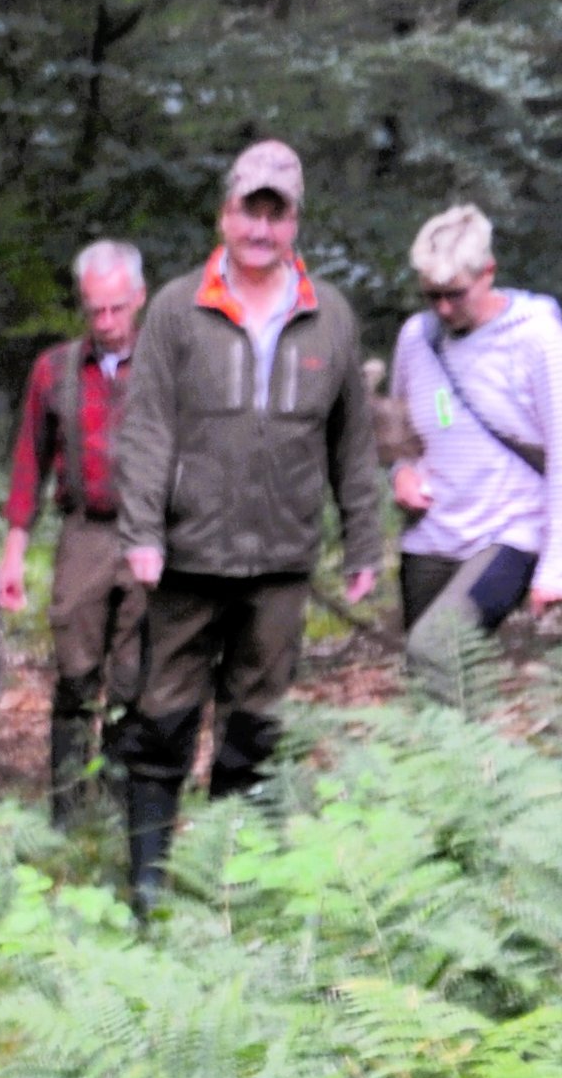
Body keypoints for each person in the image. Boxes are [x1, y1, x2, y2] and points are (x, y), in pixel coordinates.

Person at [114, 140, 380, 901]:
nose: (261, 229)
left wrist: (363, 540)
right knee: (163, 716)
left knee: (256, 723)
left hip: (282, 559)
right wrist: (141, 531)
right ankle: (149, 883)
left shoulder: (330, 315)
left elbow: (352, 440)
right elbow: (147, 427)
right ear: (224, 214)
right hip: (186, 554)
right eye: (248, 211)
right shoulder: (177, 308)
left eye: (277, 213)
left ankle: (234, 879)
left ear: (295, 222)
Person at [387, 205, 562, 697]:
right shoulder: (417, 338)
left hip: (510, 531)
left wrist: (559, 568)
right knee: (431, 679)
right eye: (431, 296)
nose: (442, 309)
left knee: (436, 648)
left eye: (455, 294)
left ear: (488, 273)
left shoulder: (539, 339)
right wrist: (401, 473)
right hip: (431, 533)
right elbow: (401, 433)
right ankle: (461, 748)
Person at [0, 239, 150, 824]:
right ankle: (66, 812)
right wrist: (14, 552)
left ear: (139, 298)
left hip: (147, 533)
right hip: (84, 532)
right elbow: (28, 463)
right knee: (76, 672)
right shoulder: (55, 370)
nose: (106, 322)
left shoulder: (165, 365)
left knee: (136, 675)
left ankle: (117, 805)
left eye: (116, 308)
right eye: (95, 310)